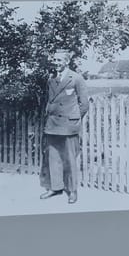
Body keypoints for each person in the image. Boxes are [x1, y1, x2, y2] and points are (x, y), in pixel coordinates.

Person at [40, 50, 89, 204]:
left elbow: (84, 104)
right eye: (54, 59)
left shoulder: (76, 78)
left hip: (68, 125)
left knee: (70, 160)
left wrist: (74, 118)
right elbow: (50, 100)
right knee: (53, 158)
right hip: (53, 124)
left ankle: (73, 191)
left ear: (67, 62)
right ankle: (56, 187)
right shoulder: (51, 78)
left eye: (59, 60)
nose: (56, 62)